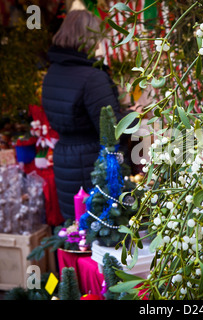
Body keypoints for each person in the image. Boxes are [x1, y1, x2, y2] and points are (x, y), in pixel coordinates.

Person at [42, 9, 123, 221]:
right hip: (92, 163)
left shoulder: (52, 73)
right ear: (89, 37)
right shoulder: (92, 77)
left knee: (76, 227)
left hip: (64, 159)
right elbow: (112, 129)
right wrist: (133, 117)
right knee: (99, 227)